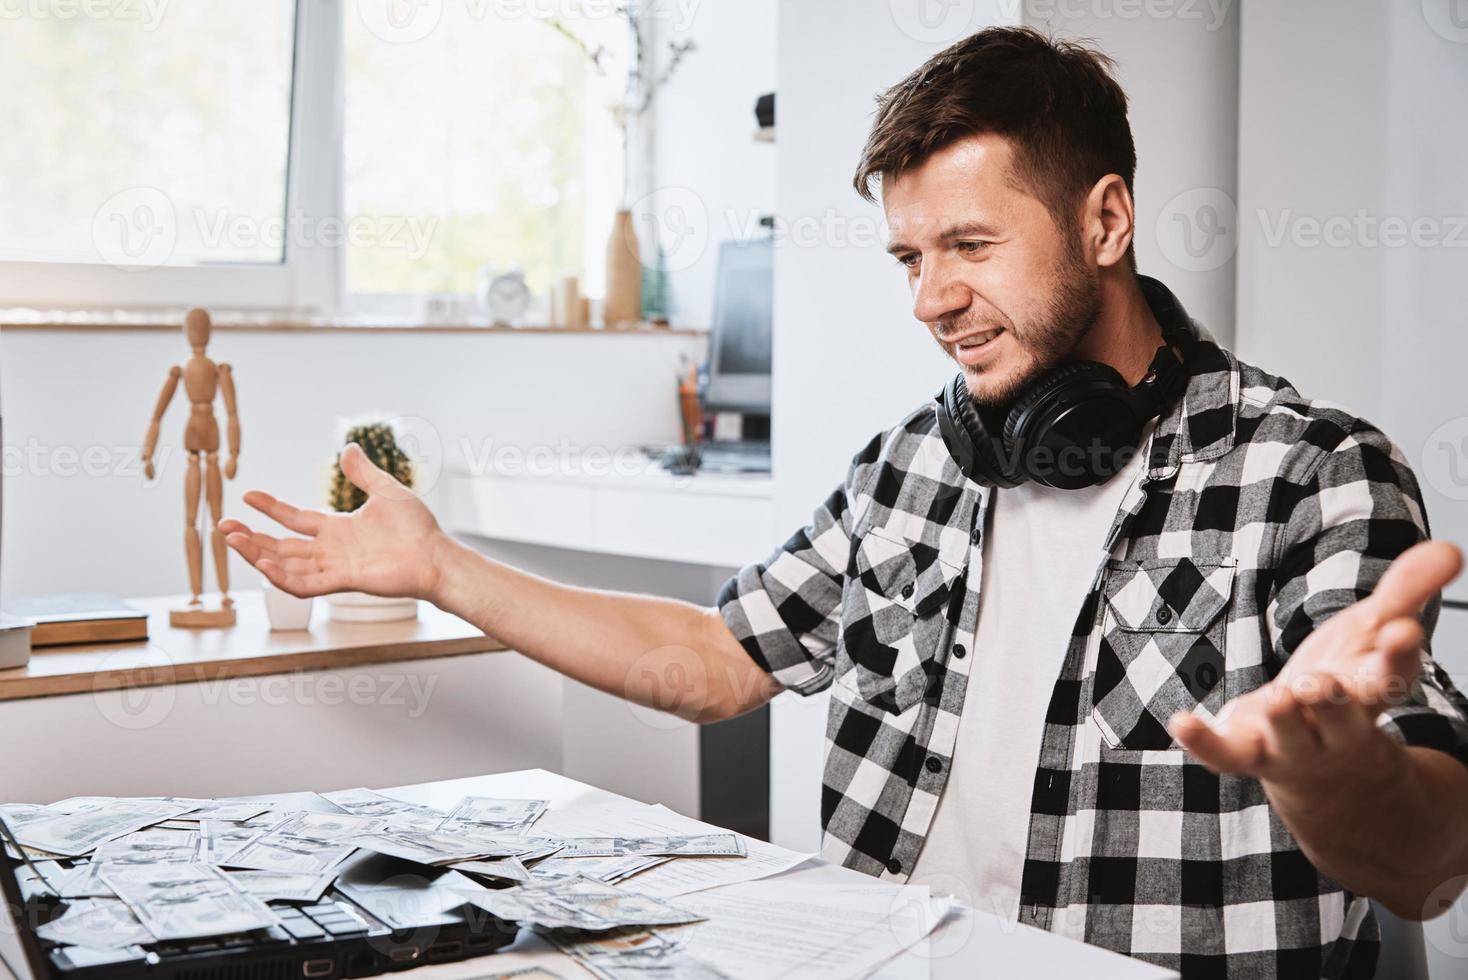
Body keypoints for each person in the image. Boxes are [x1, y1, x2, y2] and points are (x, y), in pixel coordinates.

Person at [220, 27, 1468, 978]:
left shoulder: (1309, 473)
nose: (929, 298)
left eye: (970, 246)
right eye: (910, 257)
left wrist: (1332, 775)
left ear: (1106, 220)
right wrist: (444, 566)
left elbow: (1427, 861)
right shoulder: (912, 465)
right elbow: (714, 658)